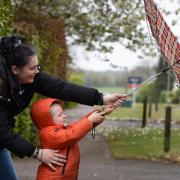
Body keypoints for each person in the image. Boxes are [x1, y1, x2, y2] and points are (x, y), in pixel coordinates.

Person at [0, 35, 127, 180]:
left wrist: (102, 98)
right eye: (32, 68)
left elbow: (62, 88)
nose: (37, 71)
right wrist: (37, 153)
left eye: (38, 66)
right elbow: (2, 130)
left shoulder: (33, 77)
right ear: (15, 70)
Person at [30, 98, 115, 180]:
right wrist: (89, 120)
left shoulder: (62, 129)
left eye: (63, 113)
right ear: (47, 119)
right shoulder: (48, 134)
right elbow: (72, 134)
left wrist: (102, 112)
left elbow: (77, 126)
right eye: (60, 115)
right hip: (53, 177)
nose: (64, 116)